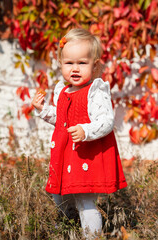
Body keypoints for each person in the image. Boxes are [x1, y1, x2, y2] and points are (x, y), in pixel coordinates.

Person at [32, 28, 127, 239]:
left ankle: (92, 235)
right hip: (65, 154)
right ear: (60, 63)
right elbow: (61, 120)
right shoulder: (63, 90)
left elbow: (106, 121)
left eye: (82, 63)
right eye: (69, 63)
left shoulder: (96, 89)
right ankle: (67, 224)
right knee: (58, 193)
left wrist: (86, 130)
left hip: (85, 154)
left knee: (85, 199)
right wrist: (43, 110)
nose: (75, 69)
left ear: (95, 65)